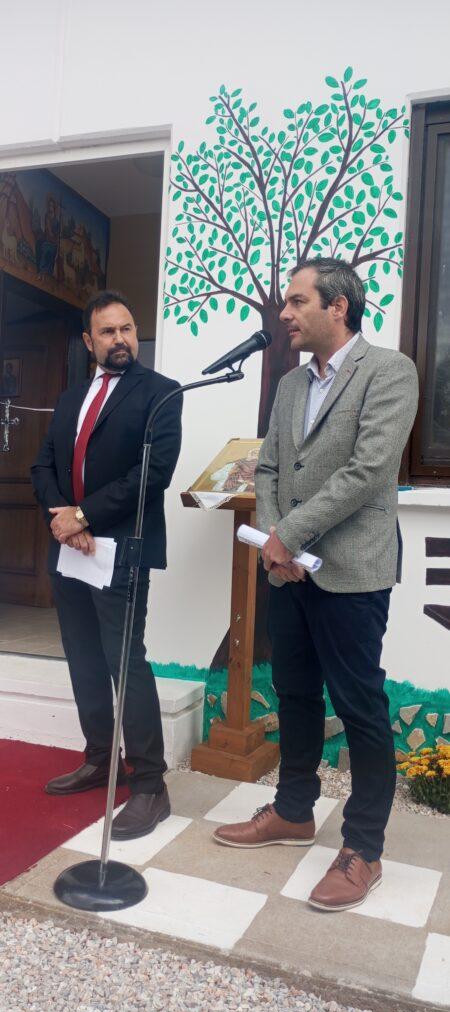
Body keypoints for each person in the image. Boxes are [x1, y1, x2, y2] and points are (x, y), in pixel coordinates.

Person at [213, 258, 419, 911]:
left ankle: (364, 849)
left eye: (298, 301)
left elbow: (368, 470)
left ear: (338, 306)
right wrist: (276, 542)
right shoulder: (290, 383)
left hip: (352, 571)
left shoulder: (390, 372)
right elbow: (270, 468)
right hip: (288, 570)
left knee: (359, 705)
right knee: (295, 692)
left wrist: (288, 534)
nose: (284, 313)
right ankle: (293, 811)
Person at [31, 290, 182, 840]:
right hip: (71, 550)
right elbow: (43, 465)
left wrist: (84, 515)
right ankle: (100, 758)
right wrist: (63, 519)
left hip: (122, 550)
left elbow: (152, 474)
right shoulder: (71, 397)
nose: (121, 339)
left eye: (128, 329)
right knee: (83, 658)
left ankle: (151, 786)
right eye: (108, 332)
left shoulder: (161, 394)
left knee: (125, 662)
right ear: (88, 341)